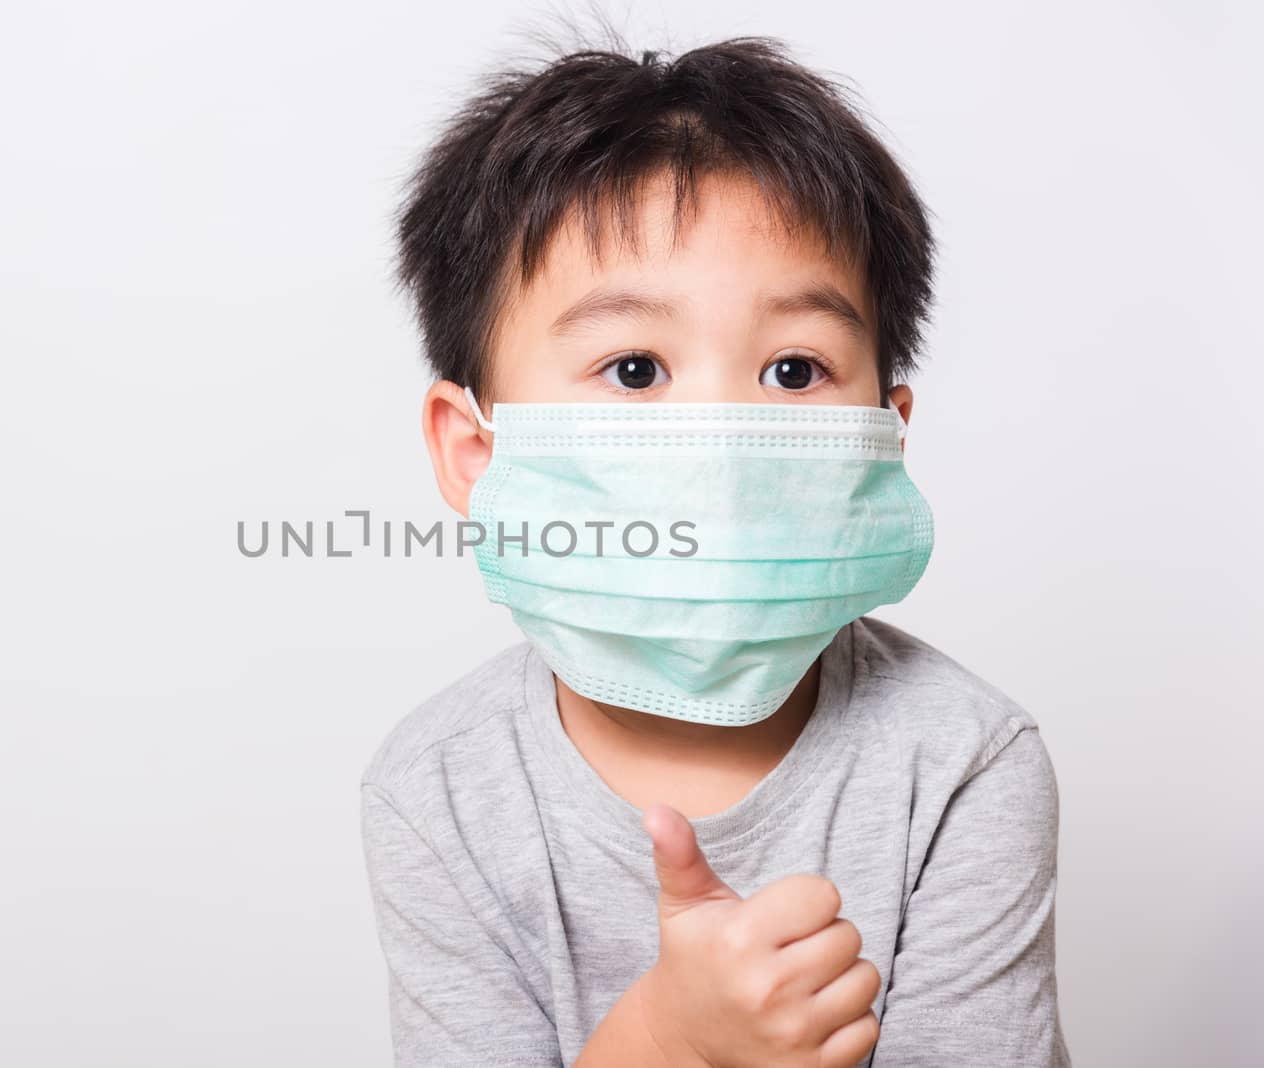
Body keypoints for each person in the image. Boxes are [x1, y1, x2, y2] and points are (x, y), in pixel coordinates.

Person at [360, 34, 1069, 1068]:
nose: (726, 445)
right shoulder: (438, 792)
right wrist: (663, 1042)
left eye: (793, 370)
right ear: (474, 453)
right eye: (635, 367)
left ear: (884, 435)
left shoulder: (963, 761)